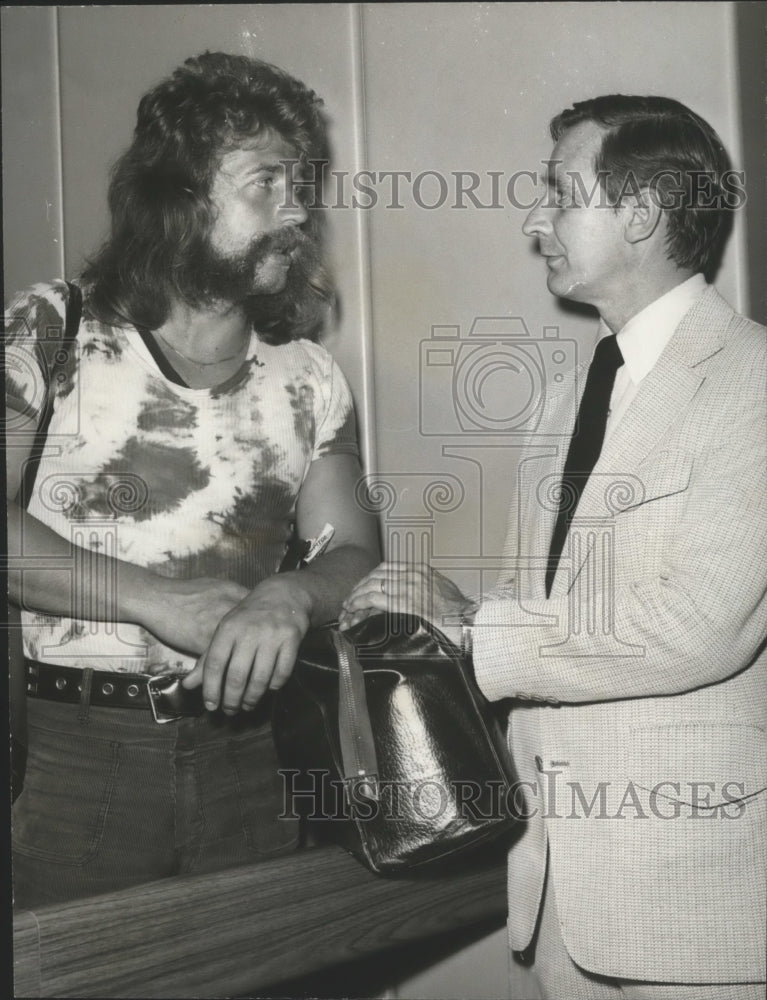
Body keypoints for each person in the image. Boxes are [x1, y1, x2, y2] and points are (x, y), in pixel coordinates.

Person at [341, 95, 766, 999]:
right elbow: (539, 608)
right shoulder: (564, 397)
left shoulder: (754, 381)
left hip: (693, 902)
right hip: (558, 893)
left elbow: (697, 624)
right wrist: (429, 608)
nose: (535, 222)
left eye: (558, 194)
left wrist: (470, 626)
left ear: (642, 215)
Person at [7, 51, 379, 909]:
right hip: (74, 760)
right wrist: (153, 600)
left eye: (304, 182)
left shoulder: (310, 375)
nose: (298, 209)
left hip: (254, 759)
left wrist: (290, 597)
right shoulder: (47, 331)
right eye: (266, 182)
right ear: (178, 195)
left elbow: (354, 548)